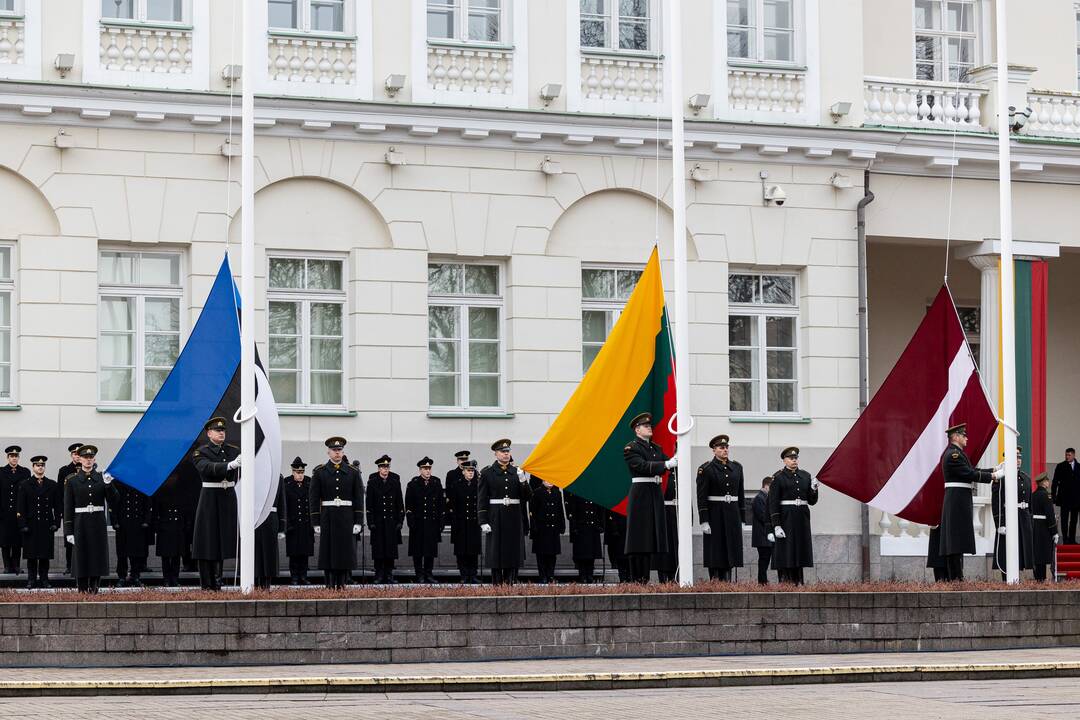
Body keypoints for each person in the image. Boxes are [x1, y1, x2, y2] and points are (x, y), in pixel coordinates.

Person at [939, 423, 1003, 582]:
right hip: (956, 500)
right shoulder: (953, 455)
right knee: (955, 541)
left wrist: (994, 469)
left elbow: (972, 471)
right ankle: (955, 577)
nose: (966, 438)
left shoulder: (958, 453)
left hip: (959, 499)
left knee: (958, 540)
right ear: (955, 437)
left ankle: (957, 576)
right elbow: (969, 473)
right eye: (963, 435)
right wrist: (993, 476)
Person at [622, 412, 676, 583]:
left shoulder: (656, 448)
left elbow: (669, 463)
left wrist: (676, 457)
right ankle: (638, 579)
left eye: (649, 425)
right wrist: (667, 464)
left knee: (652, 539)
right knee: (639, 539)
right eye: (646, 426)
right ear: (637, 430)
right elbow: (642, 465)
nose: (649, 428)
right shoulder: (631, 448)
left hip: (654, 493)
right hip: (641, 495)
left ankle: (653, 578)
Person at [191, 416, 241, 591]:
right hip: (210, 499)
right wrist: (230, 466)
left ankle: (218, 581)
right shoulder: (201, 451)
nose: (222, 433)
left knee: (222, 541)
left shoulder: (233, 450)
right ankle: (207, 584)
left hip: (227, 497)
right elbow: (206, 467)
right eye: (218, 431)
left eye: (223, 430)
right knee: (207, 541)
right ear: (209, 433)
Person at [310, 436, 363, 589]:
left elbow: (359, 498)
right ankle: (329, 585)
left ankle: (342, 584)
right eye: (334, 450)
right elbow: (313, 499)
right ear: (328, 452)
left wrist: (358, 521)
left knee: (344, 553)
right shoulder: (320, 472)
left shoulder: (353, 472)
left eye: (339, 450)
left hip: (347, 517)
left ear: (343, 451)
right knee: (328, 553)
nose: (337, 453)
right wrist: (316, 522)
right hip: (328, 517)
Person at [63, 445, 117, 593]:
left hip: (98, 523)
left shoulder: (101, 478)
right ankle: (81, 589)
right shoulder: (72, 481)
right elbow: (67, 507)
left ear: (94, 459)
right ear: (79, 459)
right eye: (85, 458)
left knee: (96, 556)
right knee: (81, 557)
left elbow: (114, 501)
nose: (88, 461)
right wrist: (68, 531)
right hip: (80, 523)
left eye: (90, 458)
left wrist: (109, 485)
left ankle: (94, 588)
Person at [478, 438, 532, 585]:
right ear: (496, 454)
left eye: (508, 451)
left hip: (514, 517)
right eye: (503, 452)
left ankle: (510, 583)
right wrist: (483, 521)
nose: (506, 454)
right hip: (496, 516)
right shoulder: (488, 473)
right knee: (496, 552)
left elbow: (527, 497)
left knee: (512, 551)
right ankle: (497, 584)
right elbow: (482, 499)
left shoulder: (516, 472)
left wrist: (522, 480)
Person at [697, 434, 745, 582]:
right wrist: (704, 520)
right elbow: (701, 496)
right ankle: (715, 581)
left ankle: (728, 581)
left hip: (732, 513)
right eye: (721, 447)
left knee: (731, 548)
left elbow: (741, 494)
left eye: (726, 447)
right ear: (714, 450)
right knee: (715, 550)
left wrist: (742, 518)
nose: (725, 450)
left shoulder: (737, 467)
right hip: (715, 514)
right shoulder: (706, 469)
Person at [768, 447, 818, 585]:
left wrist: (814, 489)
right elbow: (773, 503)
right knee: (787, 551)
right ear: (784, 460)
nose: (794, 460)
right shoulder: (778, 477)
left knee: (800, 550)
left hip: (801, 518)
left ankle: (799, 582)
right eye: (791, 458)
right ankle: (786, 583)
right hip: (786, 518)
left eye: (795, 458)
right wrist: (776, 525)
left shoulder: (805, 476)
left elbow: (812, 501)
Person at [17, 455, 61, 589]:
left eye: (42, 465)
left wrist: (56, 523)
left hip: (46, 525)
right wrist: (22, 524)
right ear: (33, 467)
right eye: (37, 465)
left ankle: (44, 579)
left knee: (44, 556)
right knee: (31, 556)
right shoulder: (25, 484)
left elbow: (57, 506)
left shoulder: (52, 484)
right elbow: (20, 507)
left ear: (44, 467)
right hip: (30, 526)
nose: (40, 467)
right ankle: (31, 580)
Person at [992, 447, 1034, 580]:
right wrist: (1000, 523)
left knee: (1021, 552)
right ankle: (1006, 580)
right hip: (1008, 520)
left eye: (1019, 457)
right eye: (1015, 457)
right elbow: (997, 501)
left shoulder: (1026, 478)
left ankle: (1017, 579)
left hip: (1023, 519)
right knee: (1006, 552)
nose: (1018, 460)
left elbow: (1030, 503)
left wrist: (1030, 520)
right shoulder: (1001, 477)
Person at [405, 457, 444, 584]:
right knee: (418, 551)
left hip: (432, 523)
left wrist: (440, 522)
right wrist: (411, 522)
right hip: (418, 523)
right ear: (420, 470)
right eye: (425, 469)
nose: (427, 471)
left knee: (430, 550)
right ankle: (419, 574)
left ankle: (429, 573)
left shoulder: (436, 483)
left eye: (429, 468)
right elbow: (409, 505)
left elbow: (440, 504)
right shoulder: (413, 484)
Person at [366, 455, 404, 584]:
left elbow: (399, 503)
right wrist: (370, 521)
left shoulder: (394, 482)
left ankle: (389, 574)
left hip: (391, 521)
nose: (385, 469)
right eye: (383, 467)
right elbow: (369, 504)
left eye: (387, 467)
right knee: (378, 550)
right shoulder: (372, 482)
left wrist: (400, 521)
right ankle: (379, 574)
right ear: (379, 468)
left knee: (390, 549)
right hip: (378, 522)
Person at [110, 480, 154, 587]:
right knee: (122, 553)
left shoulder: (141, 482)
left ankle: (135, 575)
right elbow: (113, 503)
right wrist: (114, 521)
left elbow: (148, 503)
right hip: (122, 523)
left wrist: (146, 521)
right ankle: (122, 576)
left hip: (137, 523)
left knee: (136, 553)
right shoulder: (117, 483)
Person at [445, 458, 482, 584]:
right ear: (463, 472)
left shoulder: (479, 485)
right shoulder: (456, 485)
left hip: (474, 523)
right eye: (468, 470)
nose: (470, 473)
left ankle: (473, 574)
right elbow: (452, 506)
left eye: (472, 471)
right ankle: (464, 575)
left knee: (473, 551)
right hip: (460, 523)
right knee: (461, 551)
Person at [152, 471, 188, 587]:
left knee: (177, 556)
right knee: (165, 557)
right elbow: (155, 512)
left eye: (174, 476)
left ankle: (175, 578)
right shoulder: (160, 492)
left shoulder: (181, 492)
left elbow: (185, 512)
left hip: (177, 528)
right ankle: (166, 579)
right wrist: (157, 527)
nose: (172, 479)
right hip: (165, 528)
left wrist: (184, 527)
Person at [284, 457, 314, 586]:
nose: (300, 475)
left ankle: (303, 576)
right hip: (293, 524)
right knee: (294, 553)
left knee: (304, 553)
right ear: (293, 472)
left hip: (306, 524)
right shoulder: (287, 484)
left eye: (302, 472)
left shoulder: (309, 483)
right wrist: (287, 524)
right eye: (297, 472)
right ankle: (294, 577)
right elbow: (285, 506)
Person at [529, 479, 565, 584]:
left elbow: (560, 510)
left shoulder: (557, 493)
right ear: (542, 481)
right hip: (541, 529)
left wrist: (561, 525)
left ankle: (550, 575)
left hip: (553, 528)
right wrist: (534, 527)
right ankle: (542, 576)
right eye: (546, 480)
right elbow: (532, 511)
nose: (549, 482)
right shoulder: (537, 492)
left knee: (552, 554)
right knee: (541, 554)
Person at [0, 445, 29, 575]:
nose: (14, 458)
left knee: (18, 540)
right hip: (4, 512)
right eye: (12, 456)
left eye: (16, 456)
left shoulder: (25, 472)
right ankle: (6, 566)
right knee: (4, 541)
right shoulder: (1, 471)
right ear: (7, 457)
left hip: (19, 511)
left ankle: (16, 565)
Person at [565, 491, 604, 584]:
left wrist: (601, 525)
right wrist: (574, 527)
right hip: (581, 528)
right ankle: (582, 575)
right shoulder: (577, 494)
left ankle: (590, 574)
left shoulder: (595, 494)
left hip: (592, 528)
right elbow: (573, 511)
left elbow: (600, 511)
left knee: (591, 555)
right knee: (582, 555)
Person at [254, 474, 285, 590]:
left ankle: (266, 584)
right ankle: (255, 584)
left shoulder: (277, 477)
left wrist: (282, 526)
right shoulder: (251, 474)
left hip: (271, 518)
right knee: (255, 553)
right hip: (254, 518)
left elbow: (282, 502)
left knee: (269, 555)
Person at [56, 443, 82, 575]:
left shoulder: (89, 469)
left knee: (83, 539)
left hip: (83, 510)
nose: (77, 456)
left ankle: (83, 565)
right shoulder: (64, 471)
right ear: (71, 455)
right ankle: (69, 565)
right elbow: (60, 493)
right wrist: (62, 512)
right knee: (69, 540)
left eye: (79, 453)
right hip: (70, 511)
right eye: (74, 454)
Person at [1031, 472, 1059, 581]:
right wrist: (1054, 531)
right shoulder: (1046, 495)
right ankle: (1042, 578)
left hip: (1034, 526)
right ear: (1044, 482)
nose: (1049, 482)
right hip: (1043, 528)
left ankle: (1037, 577)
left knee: (1037, 555)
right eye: (1047, 480)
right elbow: (1050, 515)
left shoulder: (1033, 495)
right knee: (1042, 555)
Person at [1052, 447, 1080, 544]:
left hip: (1076, 499)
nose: (1067, 457)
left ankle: (1072, 539)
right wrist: (1054, 496)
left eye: (1069, 455)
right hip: (1064, 498)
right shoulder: (1060, 466)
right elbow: (1055, 482)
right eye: (1066, 455)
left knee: (1074, 520)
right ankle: (1065, 539)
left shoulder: (1079, 467)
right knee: (1064, 519)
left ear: (1073, 455)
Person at [750, 476, 773, 585]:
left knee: (765, 560)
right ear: (766, 486)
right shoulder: (759, 498)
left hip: (765, 536)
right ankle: (762, 582)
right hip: (762, 537)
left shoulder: (765, 498)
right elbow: (763, 517)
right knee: (763, 561)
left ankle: (763, 581)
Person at [604, 508, 630, 583]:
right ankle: (622, 577)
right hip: (617, 530)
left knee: (628, 557)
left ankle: (628, 576)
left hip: (627, 528)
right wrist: (614, 528)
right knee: (619, 556)